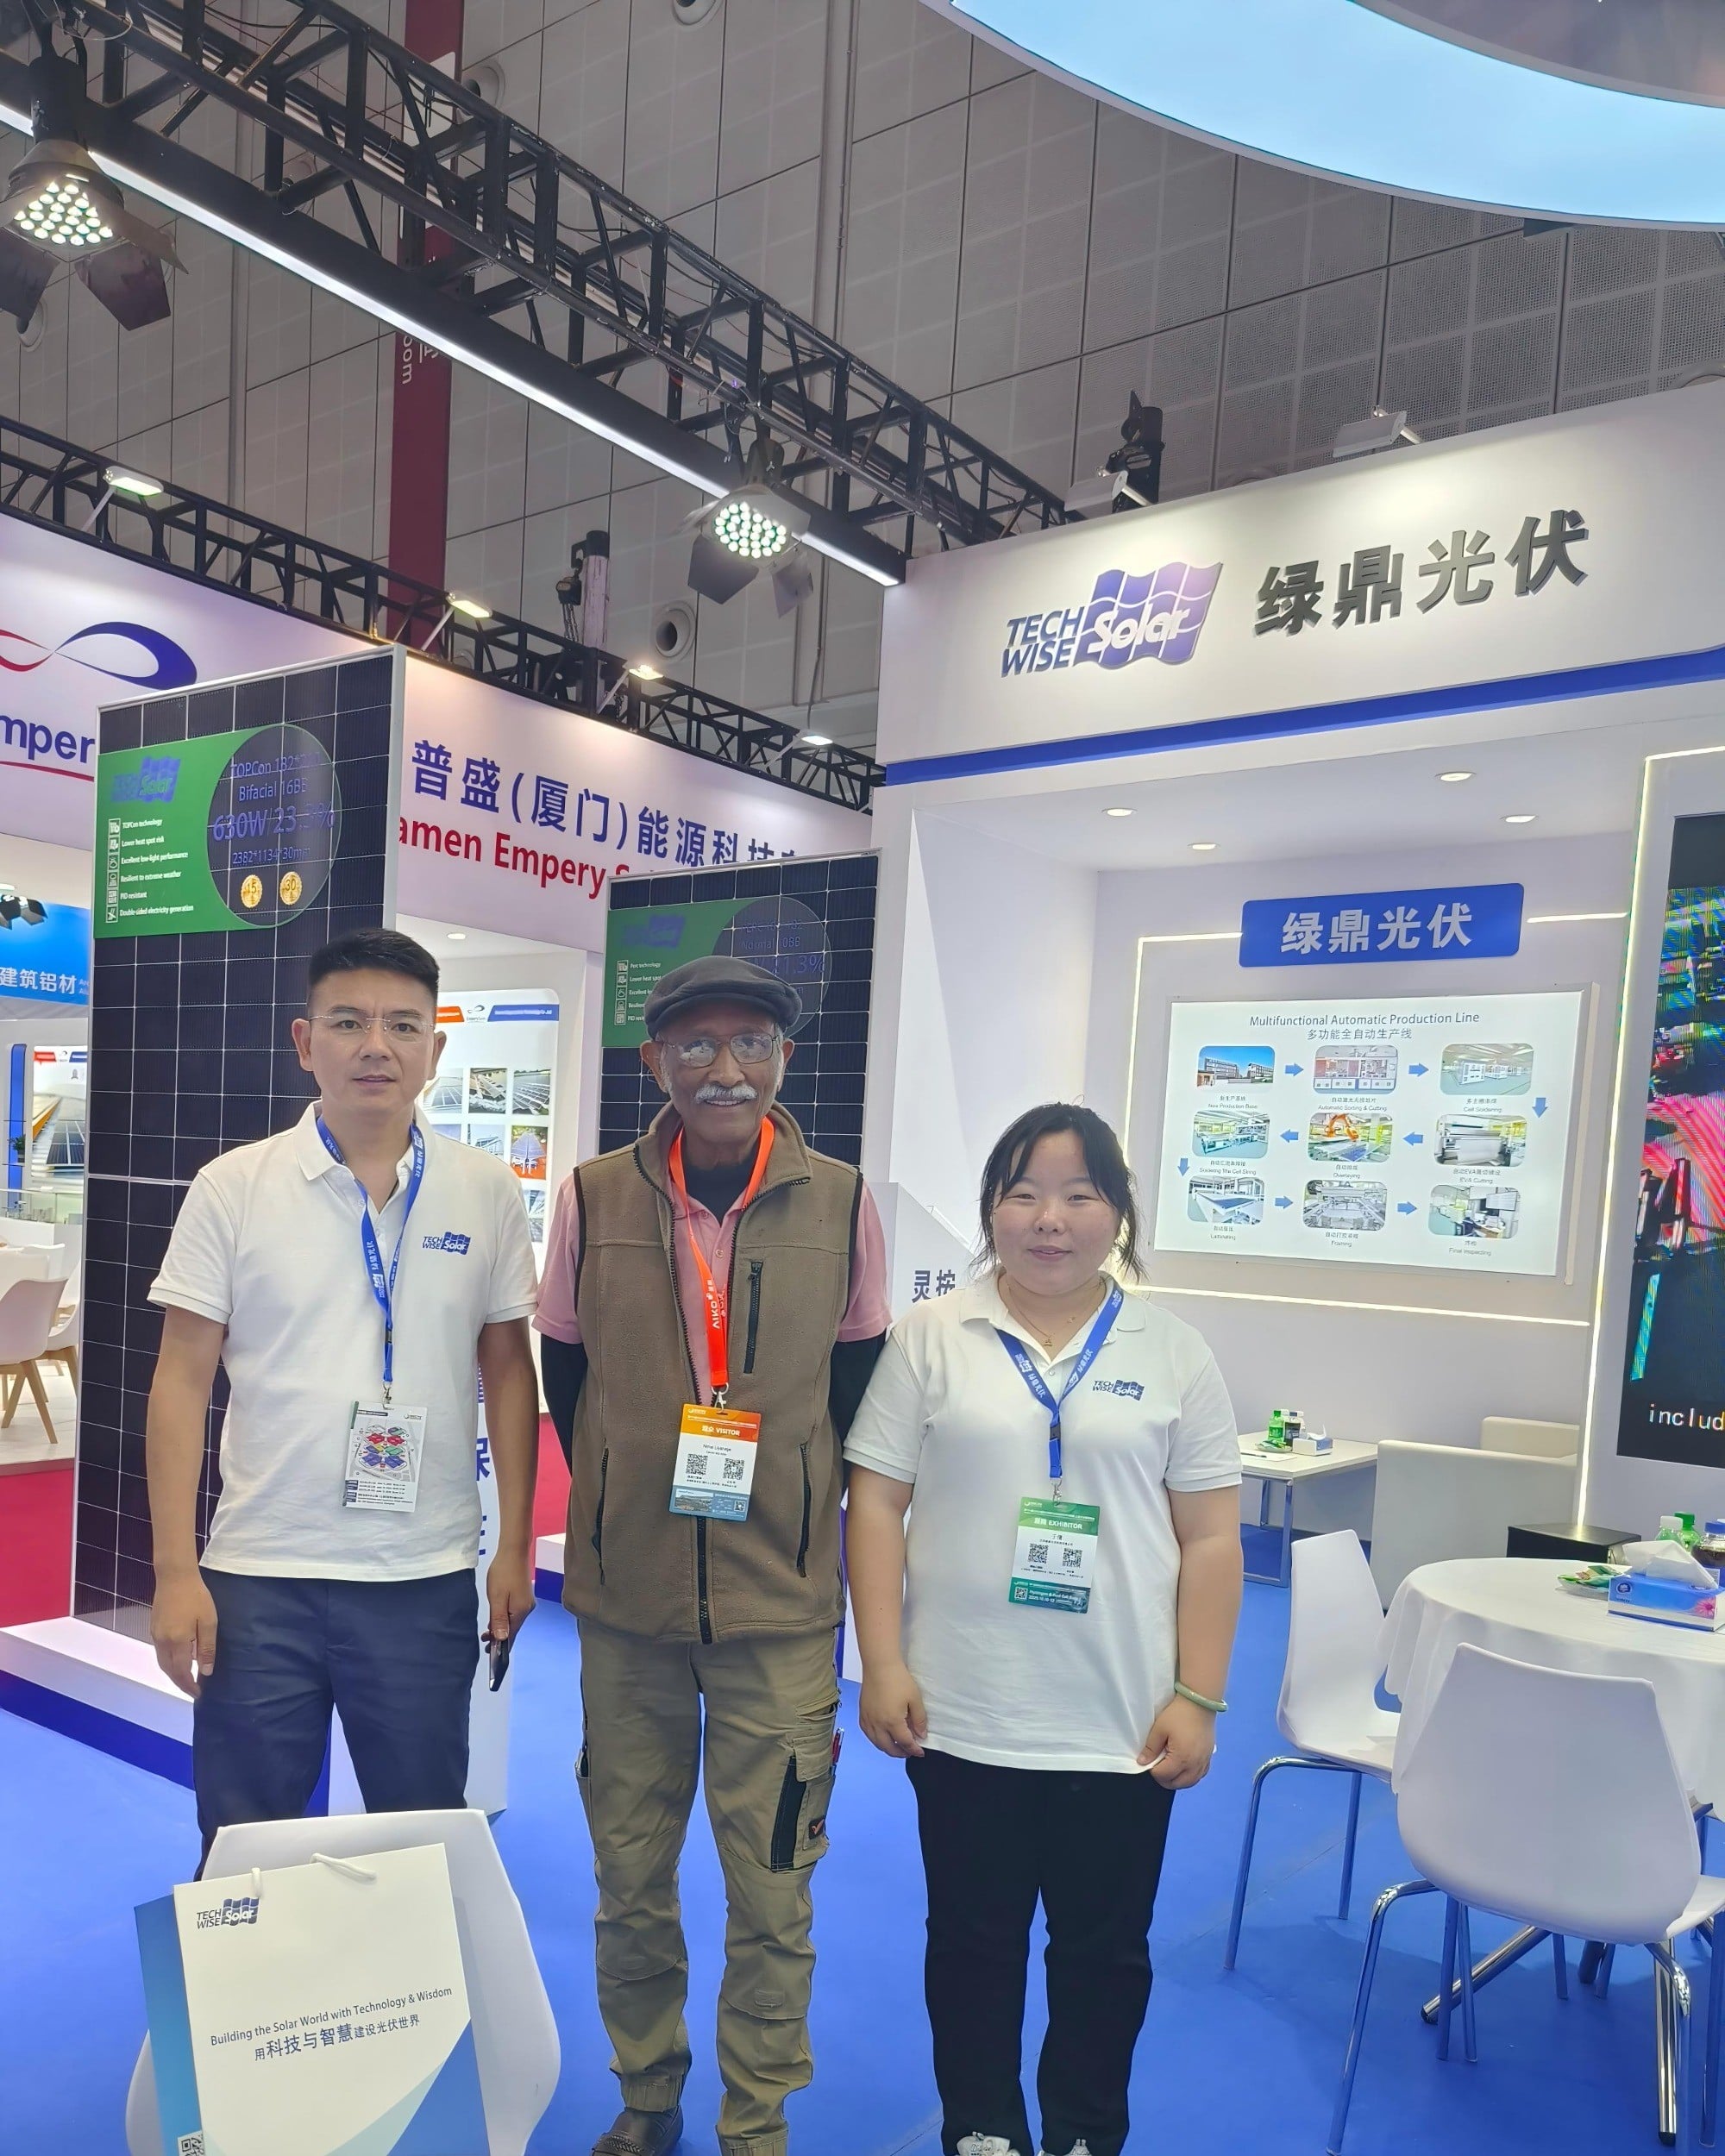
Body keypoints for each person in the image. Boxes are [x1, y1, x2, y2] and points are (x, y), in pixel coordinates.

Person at [536, 954, 891, 2156]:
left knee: (773, 1888)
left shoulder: (842, 1201)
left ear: (785, 1059)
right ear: (655, 1062)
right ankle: (648, 2096)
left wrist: (790, 1504)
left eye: (750, 1043)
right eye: (695, 1044)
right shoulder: (593, 1196)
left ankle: (756, 2123)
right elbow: (565, 1365)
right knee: (631, 1878)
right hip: (625, 1605)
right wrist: (624, 1494)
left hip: (780, 1607)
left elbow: (856, 1384)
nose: (723, 1068)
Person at [844, 1103, 1244, 2156]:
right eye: (1021, 1193)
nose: (1048, 1218)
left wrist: (1197, 1695)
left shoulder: (1173, 1350)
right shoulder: (932, 1336)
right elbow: (875, 1502)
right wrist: (879, 1661)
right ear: (990, 1210)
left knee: (1104, 1954)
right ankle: (980, 2127)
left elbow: (1210, 1537)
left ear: (1117, 1211)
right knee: (970, 1945)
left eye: (1077, 1194)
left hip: (1120, 1717)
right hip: (963, 1709)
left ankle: (1081, 2134)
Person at [145, 927, 542, 1853]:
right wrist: (173, 1572)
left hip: (420, 1576)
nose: (377, 1046)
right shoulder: (232, 1187)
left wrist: (514, 1547)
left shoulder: (485, 1190)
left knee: (420, 1833)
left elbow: (508, 1371)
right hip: (260, 1573)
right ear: (304, 1041)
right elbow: (180, 1380)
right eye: (349, 1022)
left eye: (404, 1025)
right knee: (245, 1840)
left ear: (435, 1049)